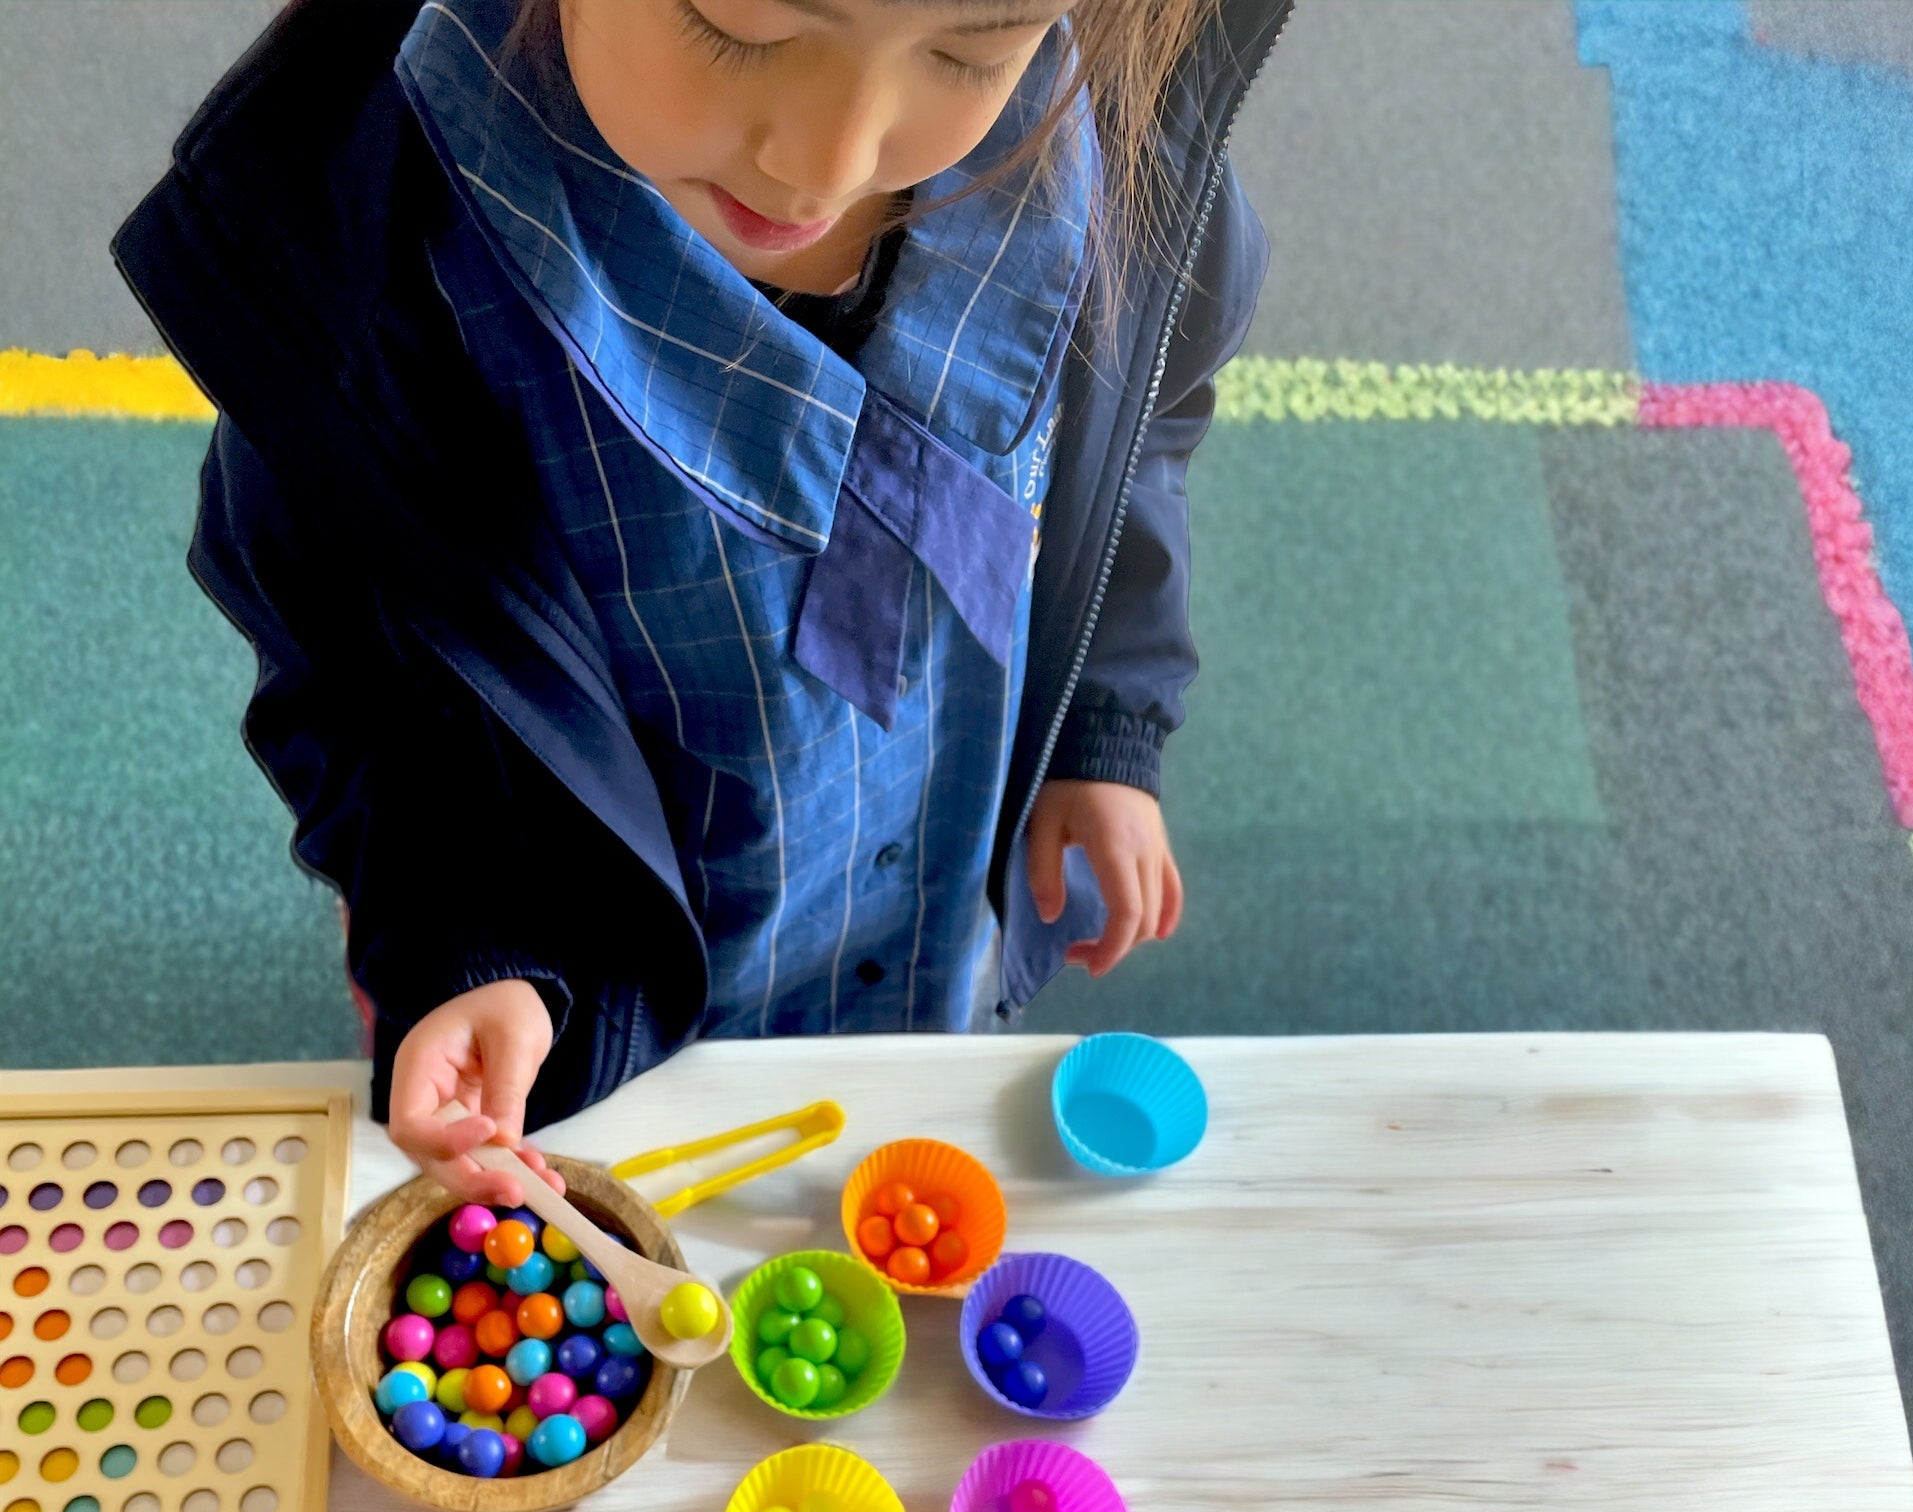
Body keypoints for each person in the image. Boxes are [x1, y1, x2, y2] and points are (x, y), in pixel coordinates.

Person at [115, 0, 1288, 1204]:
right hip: (577, 980)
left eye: (969, 51)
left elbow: (1131, 437)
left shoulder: (1116, 160)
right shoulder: (374, 288)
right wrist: (466, 946)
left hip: (917, 926)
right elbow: (359, 677)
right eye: (740, 30)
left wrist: (1102, 721)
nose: (827, 161)